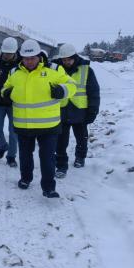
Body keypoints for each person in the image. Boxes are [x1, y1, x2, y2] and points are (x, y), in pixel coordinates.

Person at [1, 39, 76, 198]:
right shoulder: (15, 73)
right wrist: (6, 93)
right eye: (25, 58)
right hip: (23, 125)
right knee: (25, 156)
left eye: (32, 58)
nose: (29, 62)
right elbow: (5, 88)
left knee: (47, 158)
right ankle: (26, 178)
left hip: (48, 126)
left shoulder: (54, 69)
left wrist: (62, 91)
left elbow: (72, 85)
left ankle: (49, 188)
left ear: (39, 56)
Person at [53, 43, 100, 177]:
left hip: (80, 111)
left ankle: (80, 157)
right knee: (61, 141)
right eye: (64, 60)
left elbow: (94, 92)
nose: (66, 62)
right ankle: (61, 165)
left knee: (81, 138)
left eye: (69, 59)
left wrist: (93, 110)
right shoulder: (55, 69)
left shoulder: (86, 70)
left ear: (75, 57)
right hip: (61, 111)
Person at [0, 37, 20, 167]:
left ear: (15, 52)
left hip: (15, 104)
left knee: (13, 132)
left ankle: (11, 156)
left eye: (10, 53)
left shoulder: (21, 65)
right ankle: (3, 146)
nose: (7, 56)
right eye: (5, 53)